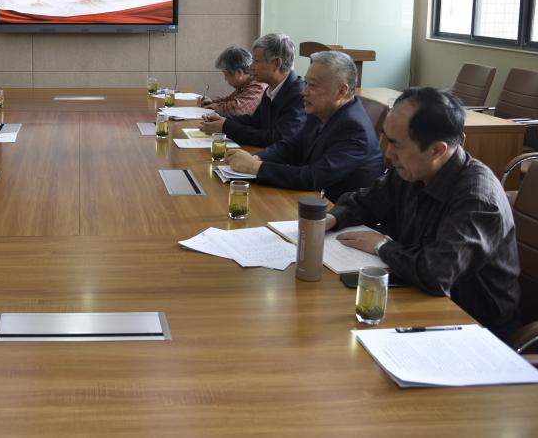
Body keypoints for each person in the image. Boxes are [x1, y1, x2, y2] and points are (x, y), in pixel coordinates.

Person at [328, 87, 521, 336]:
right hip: (417, 294)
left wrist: (381, 245)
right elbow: (367, 201)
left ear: (437, 150)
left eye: (396, 144)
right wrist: (332, 218)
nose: (387, 153)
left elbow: (436, 274)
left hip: (472, 323)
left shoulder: (477, 199)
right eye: (386, 138)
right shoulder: (414, 169)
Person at [225, 50, 383, 202]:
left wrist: (256, 167)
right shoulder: (321, 111)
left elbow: (313, 177)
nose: (303, 92)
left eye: (312, 85)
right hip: (312, 200)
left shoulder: (354, 128)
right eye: (306, 83)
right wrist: (256, 158)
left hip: (336, 210)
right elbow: (292, 146)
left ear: (341, 91)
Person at [200, 33, 305, 148]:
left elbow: (276, 139)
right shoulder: (271, 90)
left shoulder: (299, 95)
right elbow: (254, 121)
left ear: (276, 63)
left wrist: (226, 127)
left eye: (256, 61)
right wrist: (221, 118)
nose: (251, 67)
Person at [198, 46, 266, 116]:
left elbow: (237, 109)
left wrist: (216, 106)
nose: (225, 79)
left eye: (226, 74)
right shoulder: (245, 85)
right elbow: (229, 100)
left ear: (239, 72)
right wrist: (212, 101)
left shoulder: (258, 87)